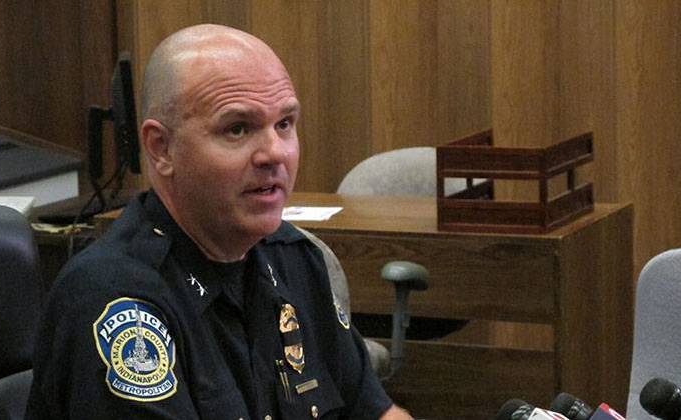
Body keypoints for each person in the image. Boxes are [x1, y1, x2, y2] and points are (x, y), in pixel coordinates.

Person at [25, 24, 412, 419]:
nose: (274, 154)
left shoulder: (296, 259)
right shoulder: (119, 302)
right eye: (238, 129)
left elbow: (377, 413)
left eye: (284, 124)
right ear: (161, 148)